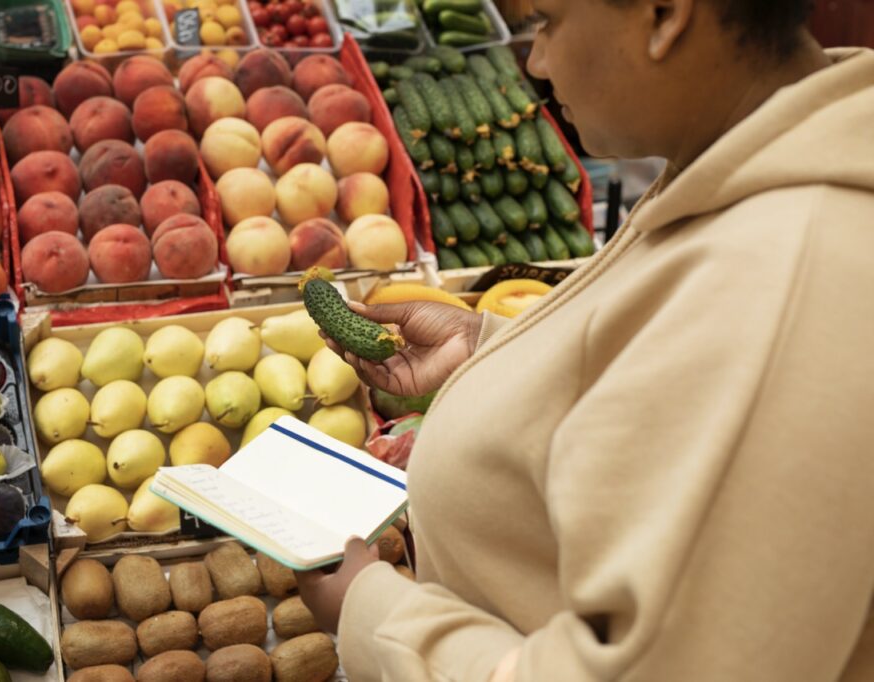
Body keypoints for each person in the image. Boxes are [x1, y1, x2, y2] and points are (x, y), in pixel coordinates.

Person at [296, 0, 874, 679]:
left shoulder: (790, 280)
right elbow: (663, 379)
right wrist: (491, 350)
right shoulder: (740, 167)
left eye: (547, 21)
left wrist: (376, 618)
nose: (534, 62)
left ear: (664, 15)